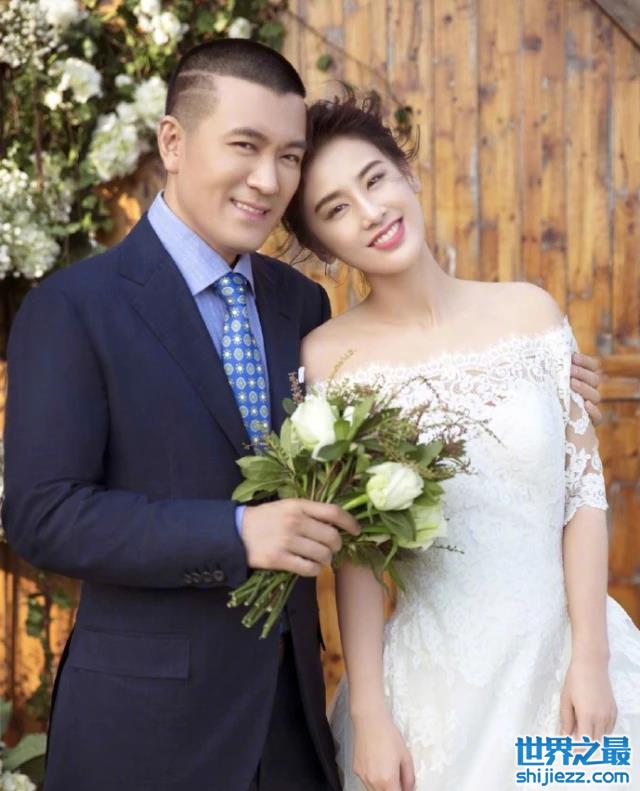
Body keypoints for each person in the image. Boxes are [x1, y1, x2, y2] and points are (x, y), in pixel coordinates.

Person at [2, 40, 364, 791]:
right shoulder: (73, 307)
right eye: (245, 146)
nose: (269, 180)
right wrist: (236, 532)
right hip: (144, 735)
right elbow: (43, 515)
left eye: (290, 157)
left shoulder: (302, 303)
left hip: (291, 724)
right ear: (173, 141)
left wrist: (533, 379)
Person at [284, 91, 640, 791]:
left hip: (570, 667)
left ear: (407, 172)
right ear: (323, 246)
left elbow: (583, 495)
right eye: (336, 209)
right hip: (436, 694)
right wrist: (370, 711)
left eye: (375, 179)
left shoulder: (530, 312)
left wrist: (591, 661)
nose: (370, 212)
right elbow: (357, 554)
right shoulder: (329, 359)